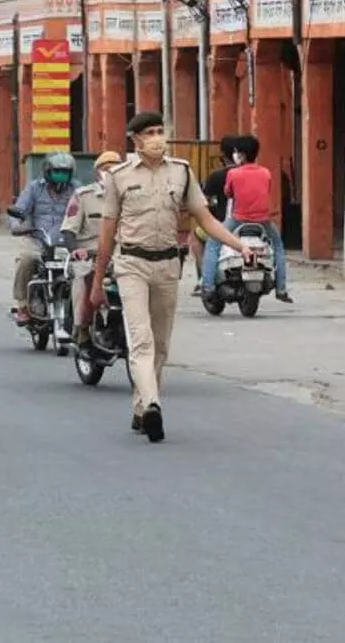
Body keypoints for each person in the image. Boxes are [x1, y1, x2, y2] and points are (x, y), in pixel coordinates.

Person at [91, 112, 254, 443]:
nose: (156, 137)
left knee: (161, 344)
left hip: (167, 265)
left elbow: (204, 218)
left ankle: (140, 407)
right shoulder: (119, 177)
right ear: (134, 139)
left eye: (159, 131)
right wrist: (97, 282)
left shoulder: (181, 171)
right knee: (141, 339)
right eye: (148, 132)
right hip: (131, 264)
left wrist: (239, 245)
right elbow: (107, 233)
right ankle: (153, 405)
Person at [201, 135, 291, 303]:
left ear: (240, 154)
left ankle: (207, 287)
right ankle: (281, 288)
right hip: (263, 221)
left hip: (238, 220)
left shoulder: (233, 173)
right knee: (278, 246)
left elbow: (228, 193)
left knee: (213, 242)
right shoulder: (266, 173)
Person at [8, 150, 78, 327]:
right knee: (26, 259)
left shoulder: (77, 189)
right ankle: (23, 305)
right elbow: (19, 211)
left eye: (65, 172)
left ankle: (81, 309)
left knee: (82, 267)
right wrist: (17, 226)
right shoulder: (34, 188)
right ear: (47, 171)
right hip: (38, 239)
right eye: (57, 172)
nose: (61, 176)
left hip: (66, 242)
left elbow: (87, 210)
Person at [61, 151, 124, 345]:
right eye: (107, 169)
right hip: (89, 254)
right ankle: (82, 329)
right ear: (98, 173)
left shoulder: (130, 196)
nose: (111, 173)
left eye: (116, 169)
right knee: (83, 277)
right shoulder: (84, 196)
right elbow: (68, 229)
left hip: (120, 254)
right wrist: (75, 250)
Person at [192, 136, 240, 295]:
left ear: (224, 156)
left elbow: (203, 202)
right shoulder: (260, 173)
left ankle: (205, 279)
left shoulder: (218, 176)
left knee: (196, 237)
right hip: (255, 224)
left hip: (225, 224)